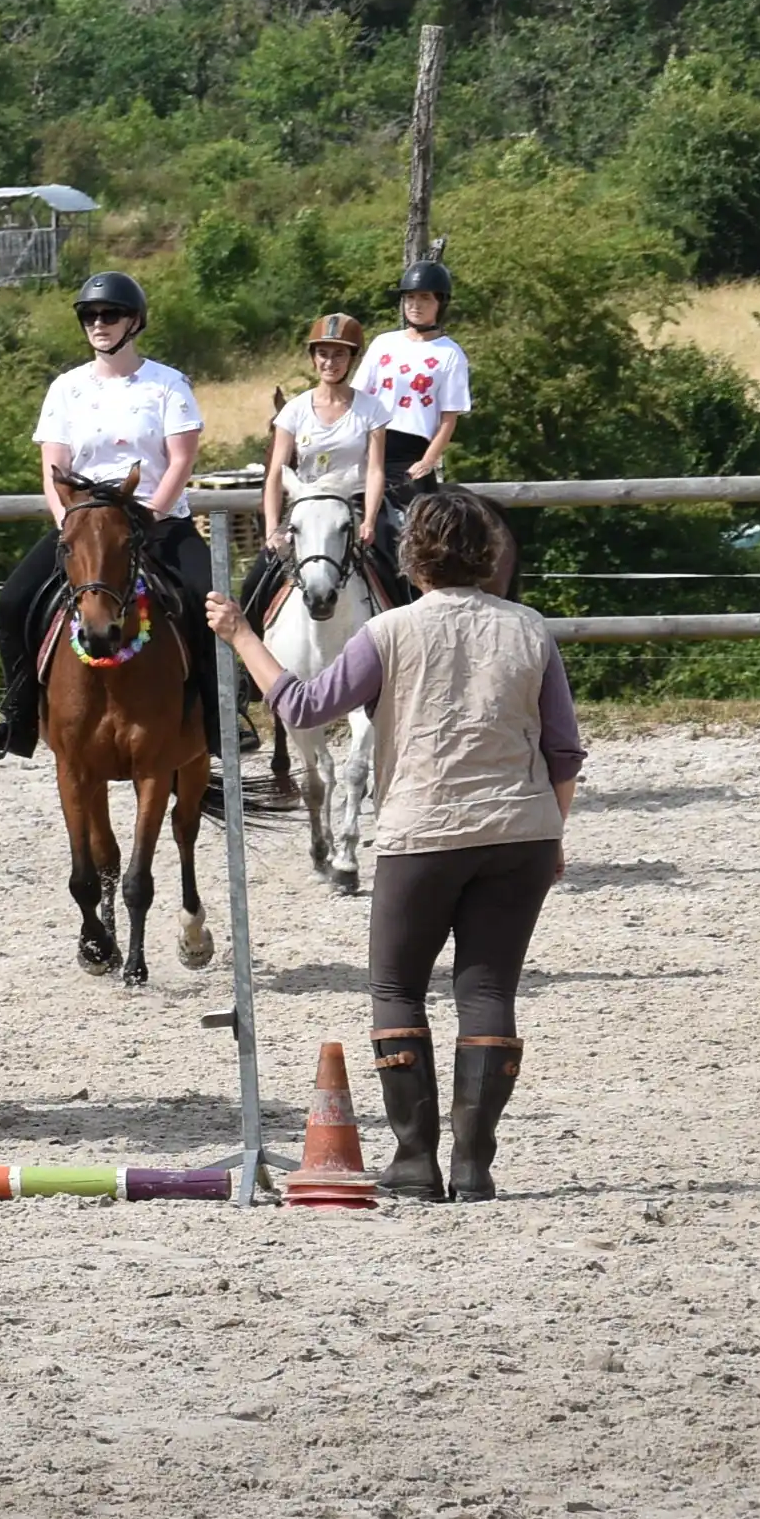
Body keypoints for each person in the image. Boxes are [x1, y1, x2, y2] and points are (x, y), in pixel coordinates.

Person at [210, 483, 577, 1200]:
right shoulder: (531, 627)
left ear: (413, 558)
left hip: (425, 832)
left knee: (397, 989)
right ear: (489, 555)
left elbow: (303, 705)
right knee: (489, 988)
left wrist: (242, 636)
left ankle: (415, 1159)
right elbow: (564, 752)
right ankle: (474, 1168)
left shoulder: (387, 632)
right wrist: (553, 831)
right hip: (523, 830)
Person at [0, 268, 215, 763]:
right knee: (13, 601)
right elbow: (54, 468)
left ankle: (221, 714)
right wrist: (67, 524)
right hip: (84, 526)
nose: (98, 323)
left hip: (156, 521)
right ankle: (16, 717)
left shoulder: (167, 384)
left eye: (110, 314)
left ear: (134, 321)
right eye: (89, 315)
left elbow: (181, 459)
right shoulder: (65, 388)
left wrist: (150, 515)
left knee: (209, 601)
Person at [357, 258, 472, 606]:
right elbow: (359, 398)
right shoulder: (382, 344)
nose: (415, 305)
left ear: (441, 302)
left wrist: (428, 461)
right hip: (368, 444)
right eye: (410, 298)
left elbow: (448, 418)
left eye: (424, 298)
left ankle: (413, 604)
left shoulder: (450, 355)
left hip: (411, 454)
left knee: (418, 536)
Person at [259, 313, 379, 605]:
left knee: (400, 569)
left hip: (356, 503)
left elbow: (375, 470)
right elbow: (276, 473)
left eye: (339, 354)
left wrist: (371, 521)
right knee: (257, 582)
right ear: (313, 358)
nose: (330, 362)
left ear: (352, 358)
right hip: (305, 505)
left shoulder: (371, 408)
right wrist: (273, 528)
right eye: (323, 354)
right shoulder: (294, 410)